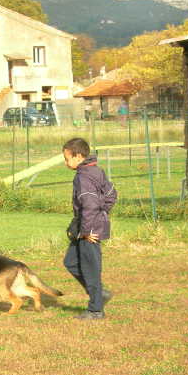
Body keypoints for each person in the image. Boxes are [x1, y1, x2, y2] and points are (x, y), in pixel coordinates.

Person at [62, 137, 117, 320]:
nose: (65, 162)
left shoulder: (83, 177)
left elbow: (90, 205)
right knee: (71, 261)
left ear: (78, 156)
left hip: (89, 231)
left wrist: (87, 231)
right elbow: (111, 195)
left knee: (90, 268)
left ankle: (95, 310)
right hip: (88, 226)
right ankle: (99, 294)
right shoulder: (95, 170)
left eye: (67, 158)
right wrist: (103, 214)